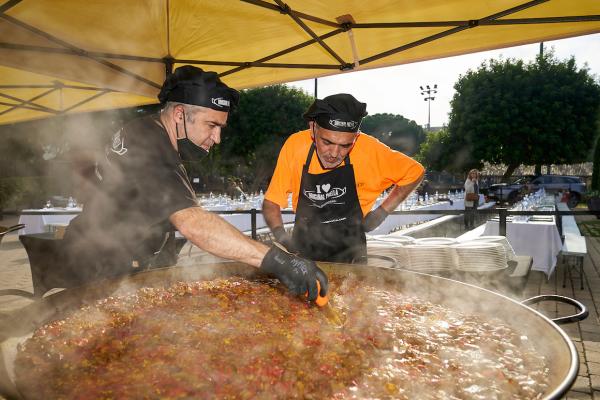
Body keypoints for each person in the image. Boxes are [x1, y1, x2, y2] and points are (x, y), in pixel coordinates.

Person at [61, 65, 327, 302]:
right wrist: (279, 261)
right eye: (211, 125)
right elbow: (192, 222)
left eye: (221, 128)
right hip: (95, 268)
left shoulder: (148, 133)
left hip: (119, 262)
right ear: (179, 115)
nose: (217, 138)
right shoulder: (146, 142)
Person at [262, 93, 425, 263]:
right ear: (313, 128)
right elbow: (271, 202)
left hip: (351, 254)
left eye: (345, 146)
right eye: (327, 142)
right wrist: (282, 237)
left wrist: (381, 213)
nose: (334, 154)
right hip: (303, 250)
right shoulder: (295, 146)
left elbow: (415, 172)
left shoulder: (370, 151)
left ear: (355, 138)